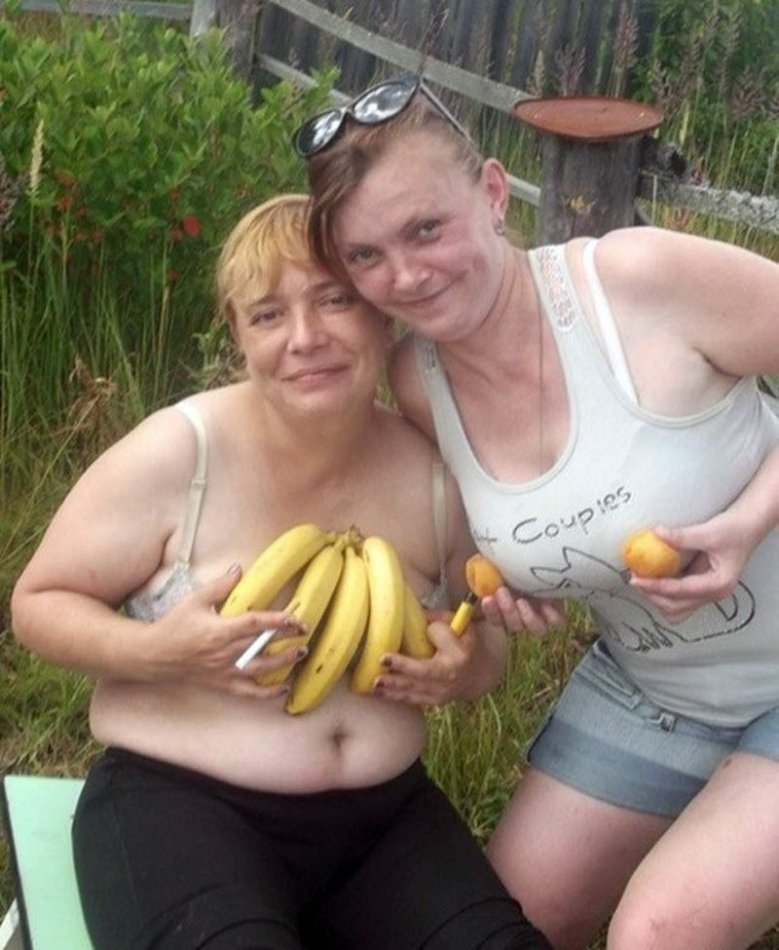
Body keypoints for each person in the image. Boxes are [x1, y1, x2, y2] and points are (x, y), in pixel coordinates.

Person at [296, 72, 779, 949]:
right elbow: (490, 555)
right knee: (504, 925)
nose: (404, 275)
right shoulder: (416, 383)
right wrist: (510, 593)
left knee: (658, 933)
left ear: (491, 193)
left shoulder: (635, 284)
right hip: (656, 690)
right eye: (364, 256)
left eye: (425, 229)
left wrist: (750, 519)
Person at [10, 194, 552, 950]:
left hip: (385, 822)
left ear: (381, 313)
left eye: (334, 300)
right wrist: (160, 652)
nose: (305, 338)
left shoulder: (435, 475)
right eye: (267, 314)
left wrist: (464, 672)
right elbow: (38, 603)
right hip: (178, 806)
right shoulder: (180, 454)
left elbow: (486, 646)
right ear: (236, 333)